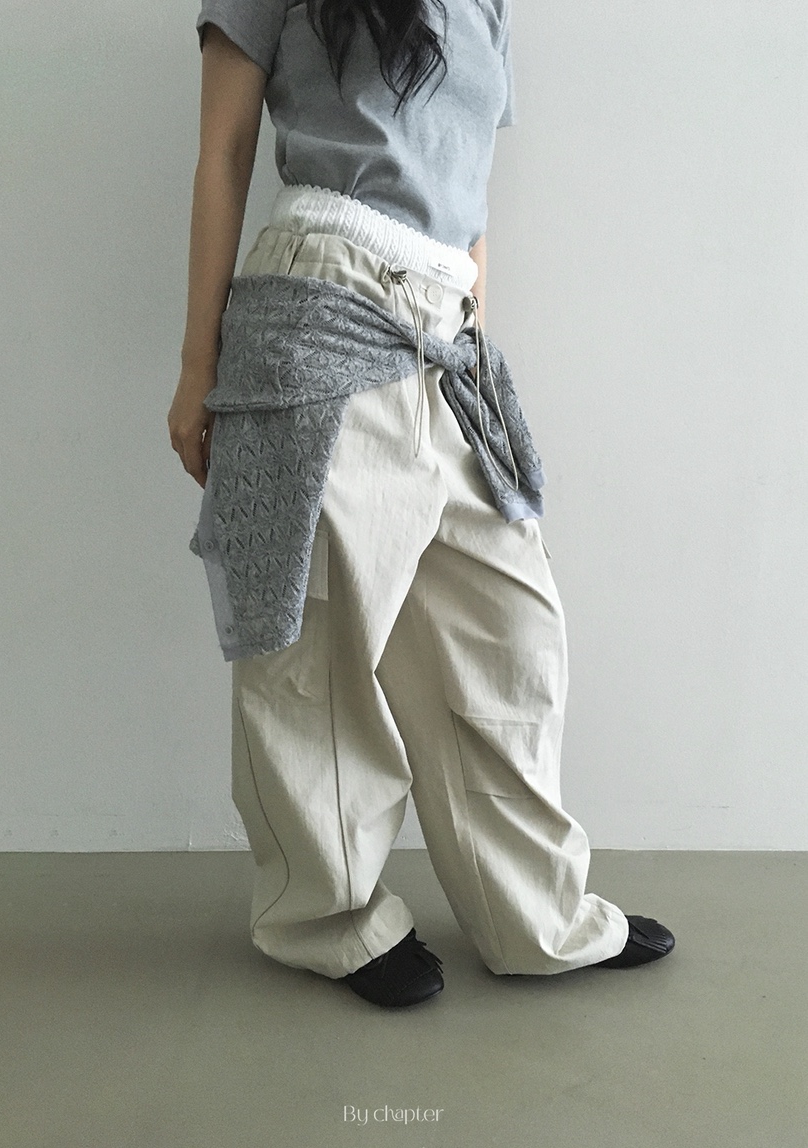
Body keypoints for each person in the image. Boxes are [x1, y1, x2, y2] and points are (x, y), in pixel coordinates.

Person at [167, 0, 676, 1009]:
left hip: (447, 340)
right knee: (316, 648)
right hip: (318, 306)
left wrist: (474, 344)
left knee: (507, 639)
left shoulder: (486, 6)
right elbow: (222, 153)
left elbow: (471, 196)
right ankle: (331, 919)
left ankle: (533, 914)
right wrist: (196, 366)